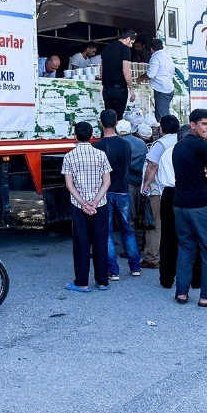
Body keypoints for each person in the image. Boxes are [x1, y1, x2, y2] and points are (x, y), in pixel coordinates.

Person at [172, 109, 207, 307]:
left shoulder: (178, 146)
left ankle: (181, 293)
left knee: (186, 248)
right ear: (192, 124)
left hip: (179, 204)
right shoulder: (202, 145)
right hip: (199, 204)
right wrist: (203, 178)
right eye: (204, 124)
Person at [62, 121, 113, 292]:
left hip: (79, 206)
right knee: (100, 242)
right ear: (92, 136)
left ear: (75, 136)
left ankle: (82, 282)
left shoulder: (69, 156)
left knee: (81, 243)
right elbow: (107, 182)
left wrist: (84, 203)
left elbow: (69, 184)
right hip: (101, 205)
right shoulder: (101, 155)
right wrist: (95, 202)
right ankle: (102, 281)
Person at [94, 110, 142, 279]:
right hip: (123, 191)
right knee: (127, 230)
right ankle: (135, 267)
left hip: (104, 192)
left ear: (101, 123)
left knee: (106, 231)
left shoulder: (97, 146)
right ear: (116, 123)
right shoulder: (126, 145)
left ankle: (113, 271)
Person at [140, 114, 180, 270]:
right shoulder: (181, 140)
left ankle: (152, 257)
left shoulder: (160, 144)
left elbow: (152, 166)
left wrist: (146, 184)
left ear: (162, 128)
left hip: (159, 190)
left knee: (155, 224)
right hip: (178, 189)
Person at [118, 119, 149, 233]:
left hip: (127, 183)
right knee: (141, 213)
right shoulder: (141, 143)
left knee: (129, 216)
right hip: (141, 182)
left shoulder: (120, 144)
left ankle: (133, 246)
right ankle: (140, 240)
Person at [100, 29, 137, 119]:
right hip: (119, 89)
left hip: (106, 89)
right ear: (128, 39)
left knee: (108, 118)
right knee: (118, 118)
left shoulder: (106, 48)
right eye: (131, 43)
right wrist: (131, 88)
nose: (131, 46)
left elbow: (101, 68)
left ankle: (106, 133)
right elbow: (126, 70)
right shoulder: (125, 49)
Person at [141, 39, 174, 122]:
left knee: (162, 118)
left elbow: (150, 74)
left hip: (162, 90)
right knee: (164, 115)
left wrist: (140, 78)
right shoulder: (167, 56)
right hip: (168, 88)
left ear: (151, 49)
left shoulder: (156, 57)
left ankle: (167, 133)